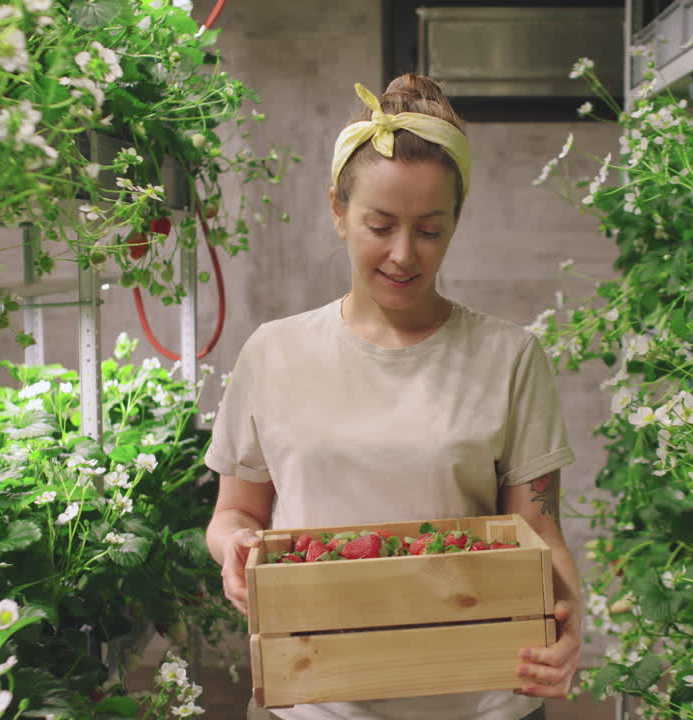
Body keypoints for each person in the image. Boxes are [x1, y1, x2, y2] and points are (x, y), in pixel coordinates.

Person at [204, 74, 582, 720]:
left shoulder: (510, 357)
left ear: (457, 222)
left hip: (479, 702)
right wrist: (236, 548)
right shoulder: (273, 353)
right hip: (312, 700)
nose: (404, 254)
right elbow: (234, 513)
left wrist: (572, 626)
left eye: (430, 230)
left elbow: (538, 529)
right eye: (380, 225)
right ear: (338, 211)